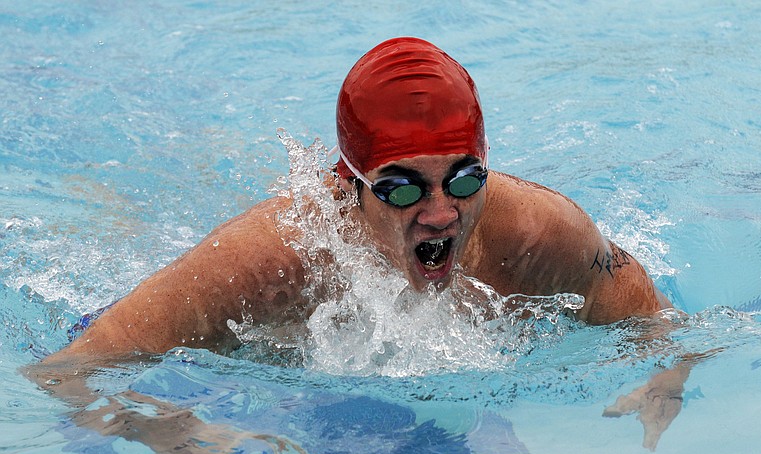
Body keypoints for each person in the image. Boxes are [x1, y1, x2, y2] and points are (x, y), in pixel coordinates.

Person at [35, 36, 672, 371]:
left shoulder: (536, 232)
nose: (440, 213)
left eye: (462, 179)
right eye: (402, 187)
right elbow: (74, 367)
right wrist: (167, 434)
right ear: (350, 185)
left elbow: (646, 314)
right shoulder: (274, 259)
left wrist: (662, 380)